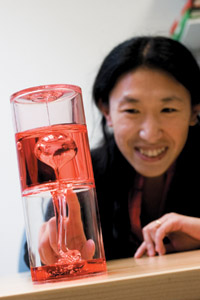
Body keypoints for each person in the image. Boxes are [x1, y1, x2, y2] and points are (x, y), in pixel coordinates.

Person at [24, 35, 200, 267]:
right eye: (132, 110)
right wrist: (54, 256)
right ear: (106, 111)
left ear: (193, 112)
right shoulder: (82, 180)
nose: (150, 133)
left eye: (168, 109)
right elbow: (44, 262)